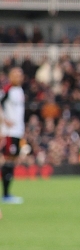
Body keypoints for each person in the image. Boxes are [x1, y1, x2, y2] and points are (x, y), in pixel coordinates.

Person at [1, 66, 26, 204]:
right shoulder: (8, 89)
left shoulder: (19, 90)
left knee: (12, 161)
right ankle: (5, 195)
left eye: (20, 74)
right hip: (10, 132)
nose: (19, 77)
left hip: (18, 131)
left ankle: (7, 194)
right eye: (16, 74)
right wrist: (3, 119)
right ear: (10, 76)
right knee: (8, 160)